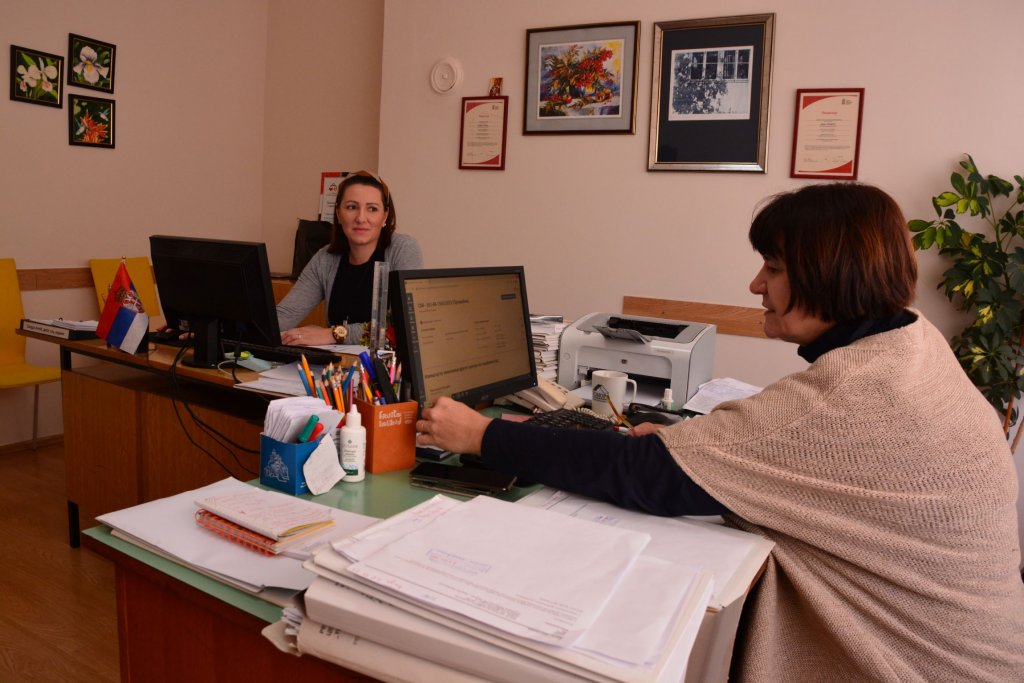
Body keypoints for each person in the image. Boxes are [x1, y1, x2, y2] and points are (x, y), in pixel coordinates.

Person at [416, 183, 1024, 681]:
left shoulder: (846, 393)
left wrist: (480, 437)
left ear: (830, 275)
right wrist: (702, 444)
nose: (755, 285)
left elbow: (645, 475)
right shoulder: (911, 338)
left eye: (773, 268)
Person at [276, 170, 422, 346]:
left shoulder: (403, 249)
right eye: (352, 207)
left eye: (372, 209)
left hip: (385, 361)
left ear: (385, 216)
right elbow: (286, 313)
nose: (361, 218)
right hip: (339, 361)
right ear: (338, 213)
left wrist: (334, 334)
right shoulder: (325, 258)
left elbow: (403, 324)